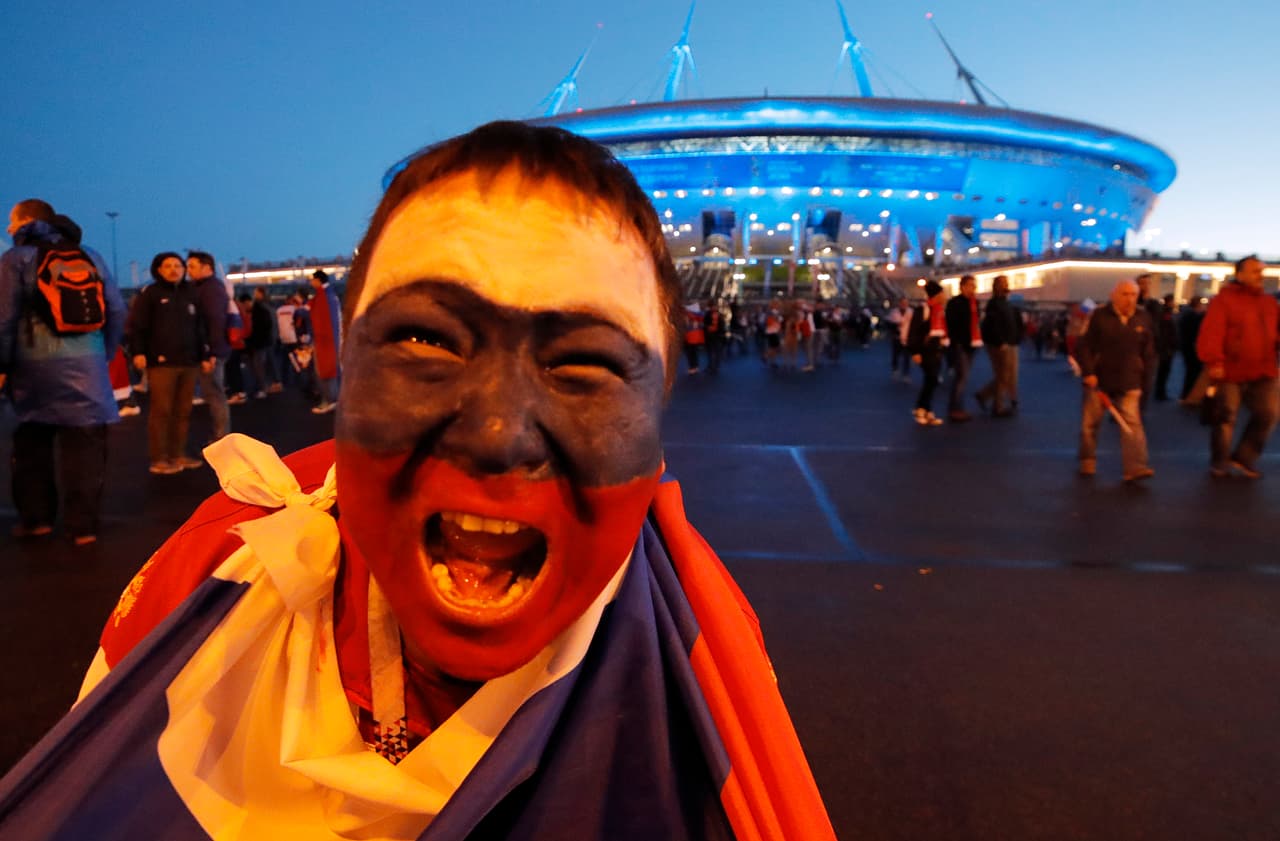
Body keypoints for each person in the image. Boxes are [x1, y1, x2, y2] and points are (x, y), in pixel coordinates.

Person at [0, 121, 834, 841]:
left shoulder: (711, 690)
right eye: (426, 343)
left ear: (660, 415)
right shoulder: (196, 587)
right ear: (342, 366)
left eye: (585, 363)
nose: (500, 433)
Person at [0, 200, 126, 544]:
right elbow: (116, 308)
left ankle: (37, 520)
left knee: (31, 447)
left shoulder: (16, 259)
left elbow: (4, 319)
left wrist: (3, 366)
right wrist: (104, 353)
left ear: (27, 221)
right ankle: (82, 528)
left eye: (12, 222)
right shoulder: (90, 255)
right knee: (85, 449)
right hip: (88, 366)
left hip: (33, 370)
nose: (9, 228)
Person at [1196, 255, 1279, 478]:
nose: (1260, 275)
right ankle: (1220, 461)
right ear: (1240, 274)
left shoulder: (1268, 303)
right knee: (1226, 417)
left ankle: (1244, 457)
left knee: (1269, 413)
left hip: (1264, 369)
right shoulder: (1224, 300)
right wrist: (1214, 361)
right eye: (1255, 271)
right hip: (1231, 369)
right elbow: (1212, 332)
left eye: (1261, 271)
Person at [130, 252, 208, 474]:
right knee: (161, 411)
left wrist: (204, 355)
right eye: (168, 266)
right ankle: (159, 458)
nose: (174, 269)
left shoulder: (190, 293)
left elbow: (199, 327)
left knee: (183, 411)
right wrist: (138, 352)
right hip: (161, 363)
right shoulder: (151, 294)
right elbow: (138, 326)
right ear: (158, 270)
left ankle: (178, 454)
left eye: (178, 265)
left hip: (189, 362)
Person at [1075, 279, 1155, 482]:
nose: (1129, 299)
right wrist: (1089, 372)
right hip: (1100, 379)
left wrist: (1145, 379)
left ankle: (1135, 466)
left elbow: (1149, 352)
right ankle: (1087, 459)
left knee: (1132, 425)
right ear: (1114, 295)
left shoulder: (1143, 318)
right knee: (1090, 424)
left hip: (1130, 380)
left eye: (1133, 295)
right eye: (1125, 294)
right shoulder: (1100, 316)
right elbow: (1085, 346)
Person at [186, 251, 230, 443]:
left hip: (211, 352)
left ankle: (222, 437)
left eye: (192, 266)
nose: (188, 271)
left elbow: (215, 321)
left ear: (207, 267)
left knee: (214, 394)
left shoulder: (211, 289)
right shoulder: (204, 287)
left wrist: (211, 352)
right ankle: (221, 434)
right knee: (213, 393)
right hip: (209, 350)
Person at [975, 274, 1022, 417]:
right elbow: (993, 325)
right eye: (1003, 283)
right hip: (1001, 344)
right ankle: (998, 405)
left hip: (1010, 342)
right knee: (1004, 375)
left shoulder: (1005, 303)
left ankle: (986, 396)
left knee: (1009, 375)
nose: (1006, 285)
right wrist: (1000, 340)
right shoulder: (994, 304)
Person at [905, 281, 947, 426]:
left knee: (932, 380)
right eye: (942, 293)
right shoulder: (923, 310)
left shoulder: (939, 310)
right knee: (932, 379)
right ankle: (920, 408)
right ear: (936, 295)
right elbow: (914, 331)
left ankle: (927, 410)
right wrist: (915, 351)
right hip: (925, 350)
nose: (945, 296)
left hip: (936, 350)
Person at [944, 274, 982, 422]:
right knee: (961, 377)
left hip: (971, 344)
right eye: (971, 285)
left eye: (974, 285)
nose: (974, 288)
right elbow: (953, 324)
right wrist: (958, 341)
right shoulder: (956, 303)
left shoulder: (973, 303)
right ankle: (955, 408)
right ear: (963, 286)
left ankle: (957, 407)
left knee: (963, 377)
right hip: (961, 344)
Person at [308, 269, 341, 413]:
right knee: (330, 369)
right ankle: (331, 399)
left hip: (325, 341)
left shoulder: (324, 296)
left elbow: (323, 321)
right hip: (329, 340)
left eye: (313, 279)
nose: (311, 282)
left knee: (325, 369)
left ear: (318, 280)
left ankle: (330, 400)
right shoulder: (329, 295)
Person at [246, 286, 278, 397]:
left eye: (255, 293)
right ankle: (274, 383)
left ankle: (264, 387)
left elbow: (261, 326)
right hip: (270, 338)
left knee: (259, 364)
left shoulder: (259, 308)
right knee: (269, 362)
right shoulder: (270, 306)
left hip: (262, 340)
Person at [1177, 297, 1206, 403]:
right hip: (1192, 348)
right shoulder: (1194, 317)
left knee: (1190, 372)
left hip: (1187, 347)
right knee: (1193, 373)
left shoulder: (1186, 315)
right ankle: (1189, 395)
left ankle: (1187, 395)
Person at [1152, 293, 1179, 401]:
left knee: (1164, 371)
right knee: (1163, 371)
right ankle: (1160, 392)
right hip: (1166, 348)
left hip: (1167, 347)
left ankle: (1160, 391)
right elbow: (1166, 332)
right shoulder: (1166, 314)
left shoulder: (1167, 313)